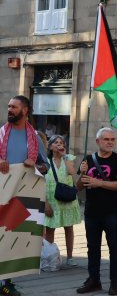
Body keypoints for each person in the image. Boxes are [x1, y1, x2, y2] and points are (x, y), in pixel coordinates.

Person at [0, 95, 49, 296]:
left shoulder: (34, 137)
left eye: (14, 107)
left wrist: (35, 165)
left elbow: (46, 166)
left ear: (25, 110)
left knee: (12, 237)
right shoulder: (1, 133)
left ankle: (6, 282)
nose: (10, 110)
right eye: (9, 106)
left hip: (20, 198)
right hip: (1, 194)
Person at [75, 127, 117, 295]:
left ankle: (114, 282)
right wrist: (82, 173)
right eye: (106, 139)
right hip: (92, 211)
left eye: (112, 139)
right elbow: (79, 186)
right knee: (92, 248)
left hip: (112, 211)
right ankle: (94, 280)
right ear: (98, 141)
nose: (110, 142)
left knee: (114, 247)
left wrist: (99, 183)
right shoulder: (88, 159)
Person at [44, 134, 81, 267]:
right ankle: (50, 256)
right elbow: (40, 182)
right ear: (50, 146)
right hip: (51, 199)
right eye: (56, 142)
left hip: (67, 198)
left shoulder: (68, 158)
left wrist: (65, 156)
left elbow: (72, 172)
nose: (59, 144)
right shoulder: (45, 162)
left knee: (69, 227)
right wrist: (45, 203)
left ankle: (70, 257)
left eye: (61, 142)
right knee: (50, 228)